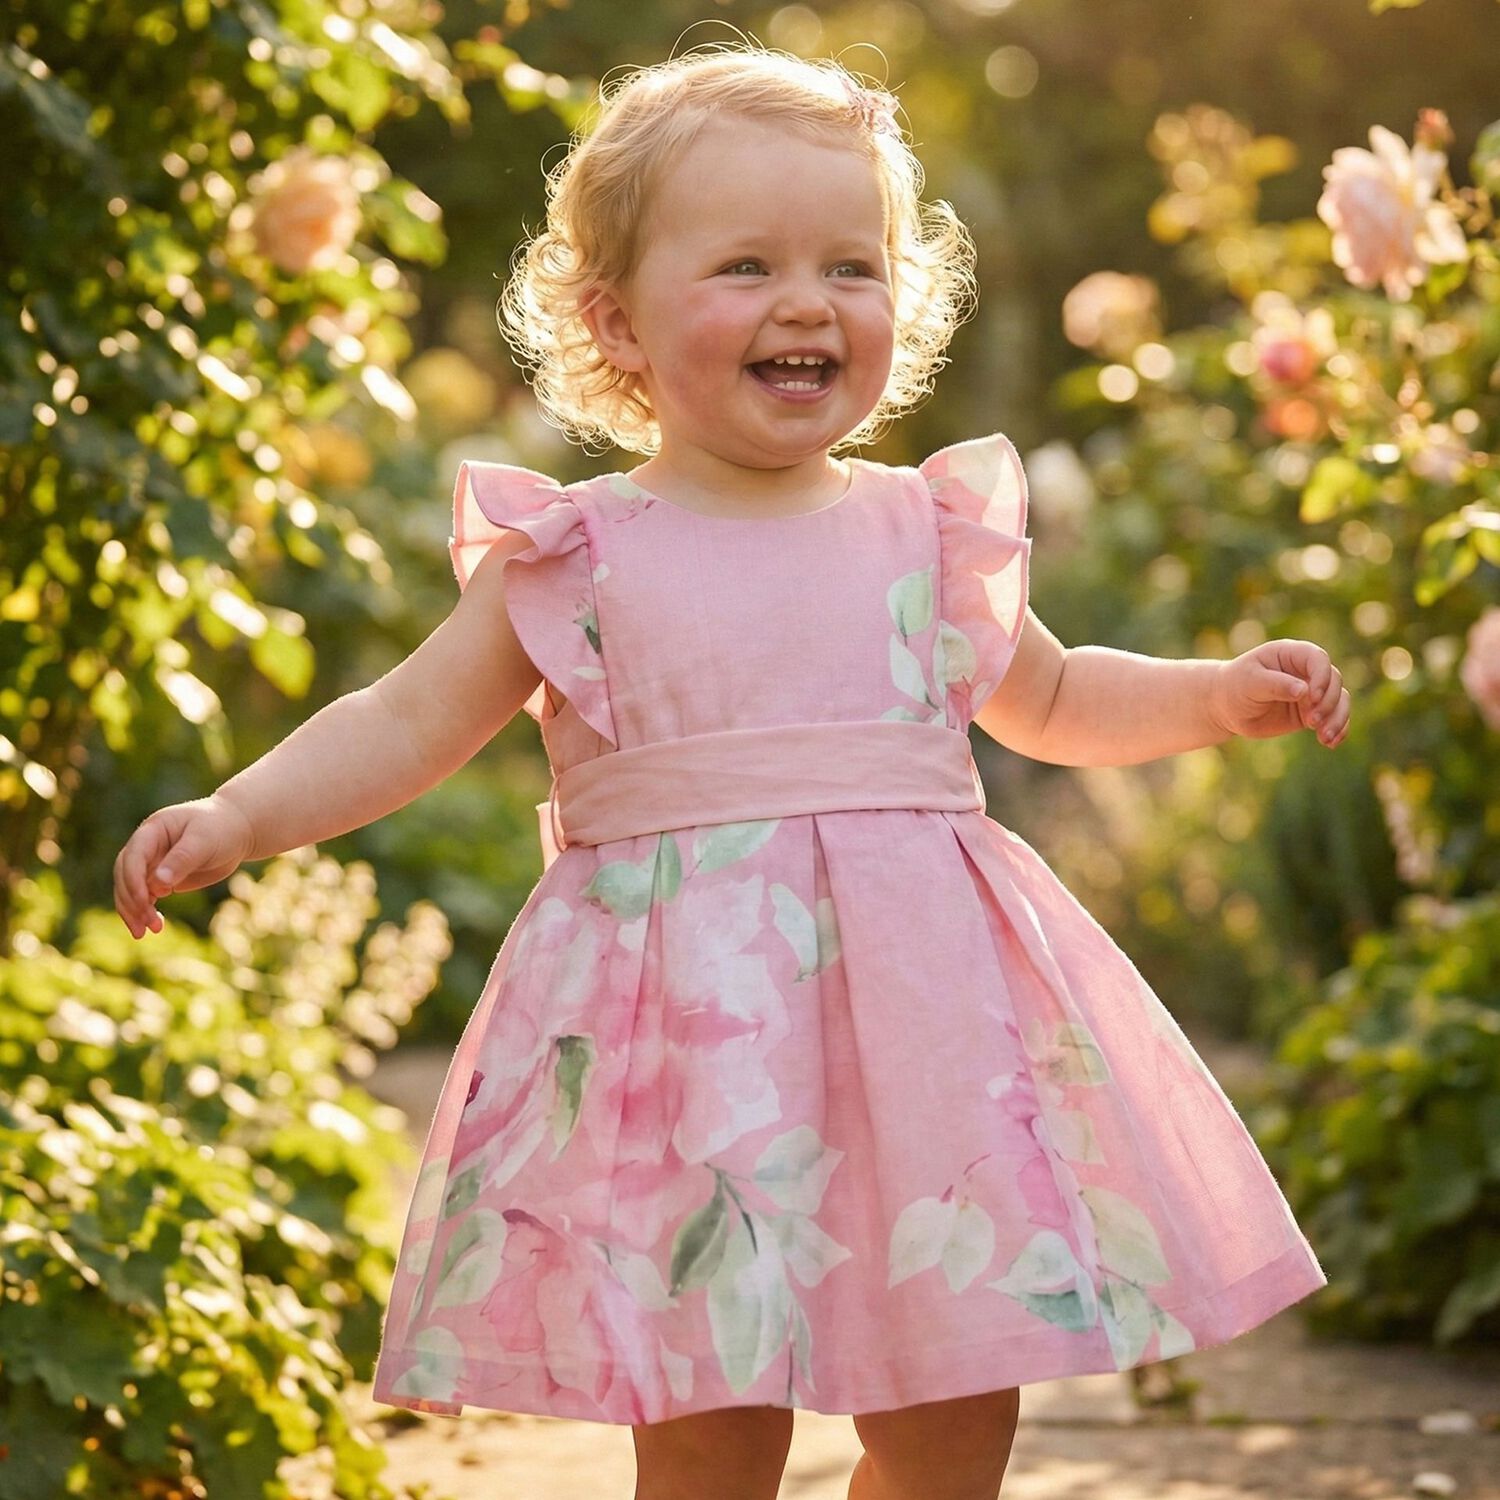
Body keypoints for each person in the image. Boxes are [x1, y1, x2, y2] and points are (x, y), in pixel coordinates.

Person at [112, 41, 1347, 1500]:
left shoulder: (924, 531)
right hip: (687, 1061)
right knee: (708, 1428)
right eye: (747, 266)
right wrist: (243, 814)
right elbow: (402, 721)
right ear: (614, 320)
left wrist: (1217, 697)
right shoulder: (576, 552)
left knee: (955, 1422)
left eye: (851, 264)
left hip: (926, 1051)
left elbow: (1058, 695)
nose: (809, 303)